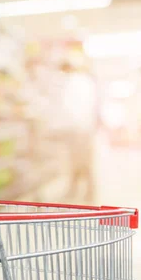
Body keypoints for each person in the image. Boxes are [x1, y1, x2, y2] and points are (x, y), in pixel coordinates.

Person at [61, 69, 98, 204]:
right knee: (77, 161)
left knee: (82, 162)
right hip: (83, 128)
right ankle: (78, 190)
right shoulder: (84, 81)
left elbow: (73, 108)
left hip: (80, 128)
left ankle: (86, 191)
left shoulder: (75, 82)